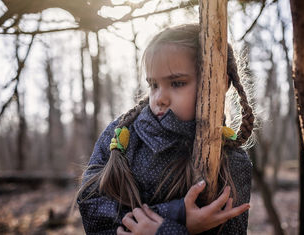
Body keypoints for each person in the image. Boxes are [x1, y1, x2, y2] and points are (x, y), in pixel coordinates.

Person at [77, 24, 255, 234]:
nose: (160, 98)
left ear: (218, 84)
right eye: (153, 85)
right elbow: (91, 207)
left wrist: (166, 230)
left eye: (177, 83)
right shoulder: (121, 135)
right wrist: (178, 215)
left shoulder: (233, 162)